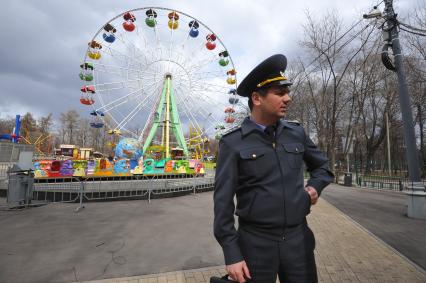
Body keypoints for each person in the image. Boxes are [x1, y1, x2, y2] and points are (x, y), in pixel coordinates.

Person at [213, 54, 334, 283]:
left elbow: (323, 168)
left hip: (299, 243)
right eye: (280, 93)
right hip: (254, 246)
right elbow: (223, 204)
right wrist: (232, 253)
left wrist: (313, 188)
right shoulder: (233, 143)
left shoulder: (296, 132)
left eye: (287, 92)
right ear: (257, 98)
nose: (288, 98)